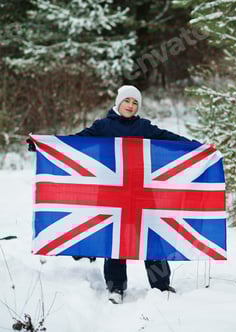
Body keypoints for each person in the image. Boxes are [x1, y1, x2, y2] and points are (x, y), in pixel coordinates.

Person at [30, 85, 196, 304]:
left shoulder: (144, 127)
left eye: (135, 102)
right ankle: (116, 288)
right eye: (127, 101)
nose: (131, 105)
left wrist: (196, 148)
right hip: (112, 195)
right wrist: (44, 146)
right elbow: (76, 142)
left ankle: (161, 285)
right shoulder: (103, 126)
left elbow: (170, 140)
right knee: (116, 241)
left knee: (151, 238)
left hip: (141, 194)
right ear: (118, 103)